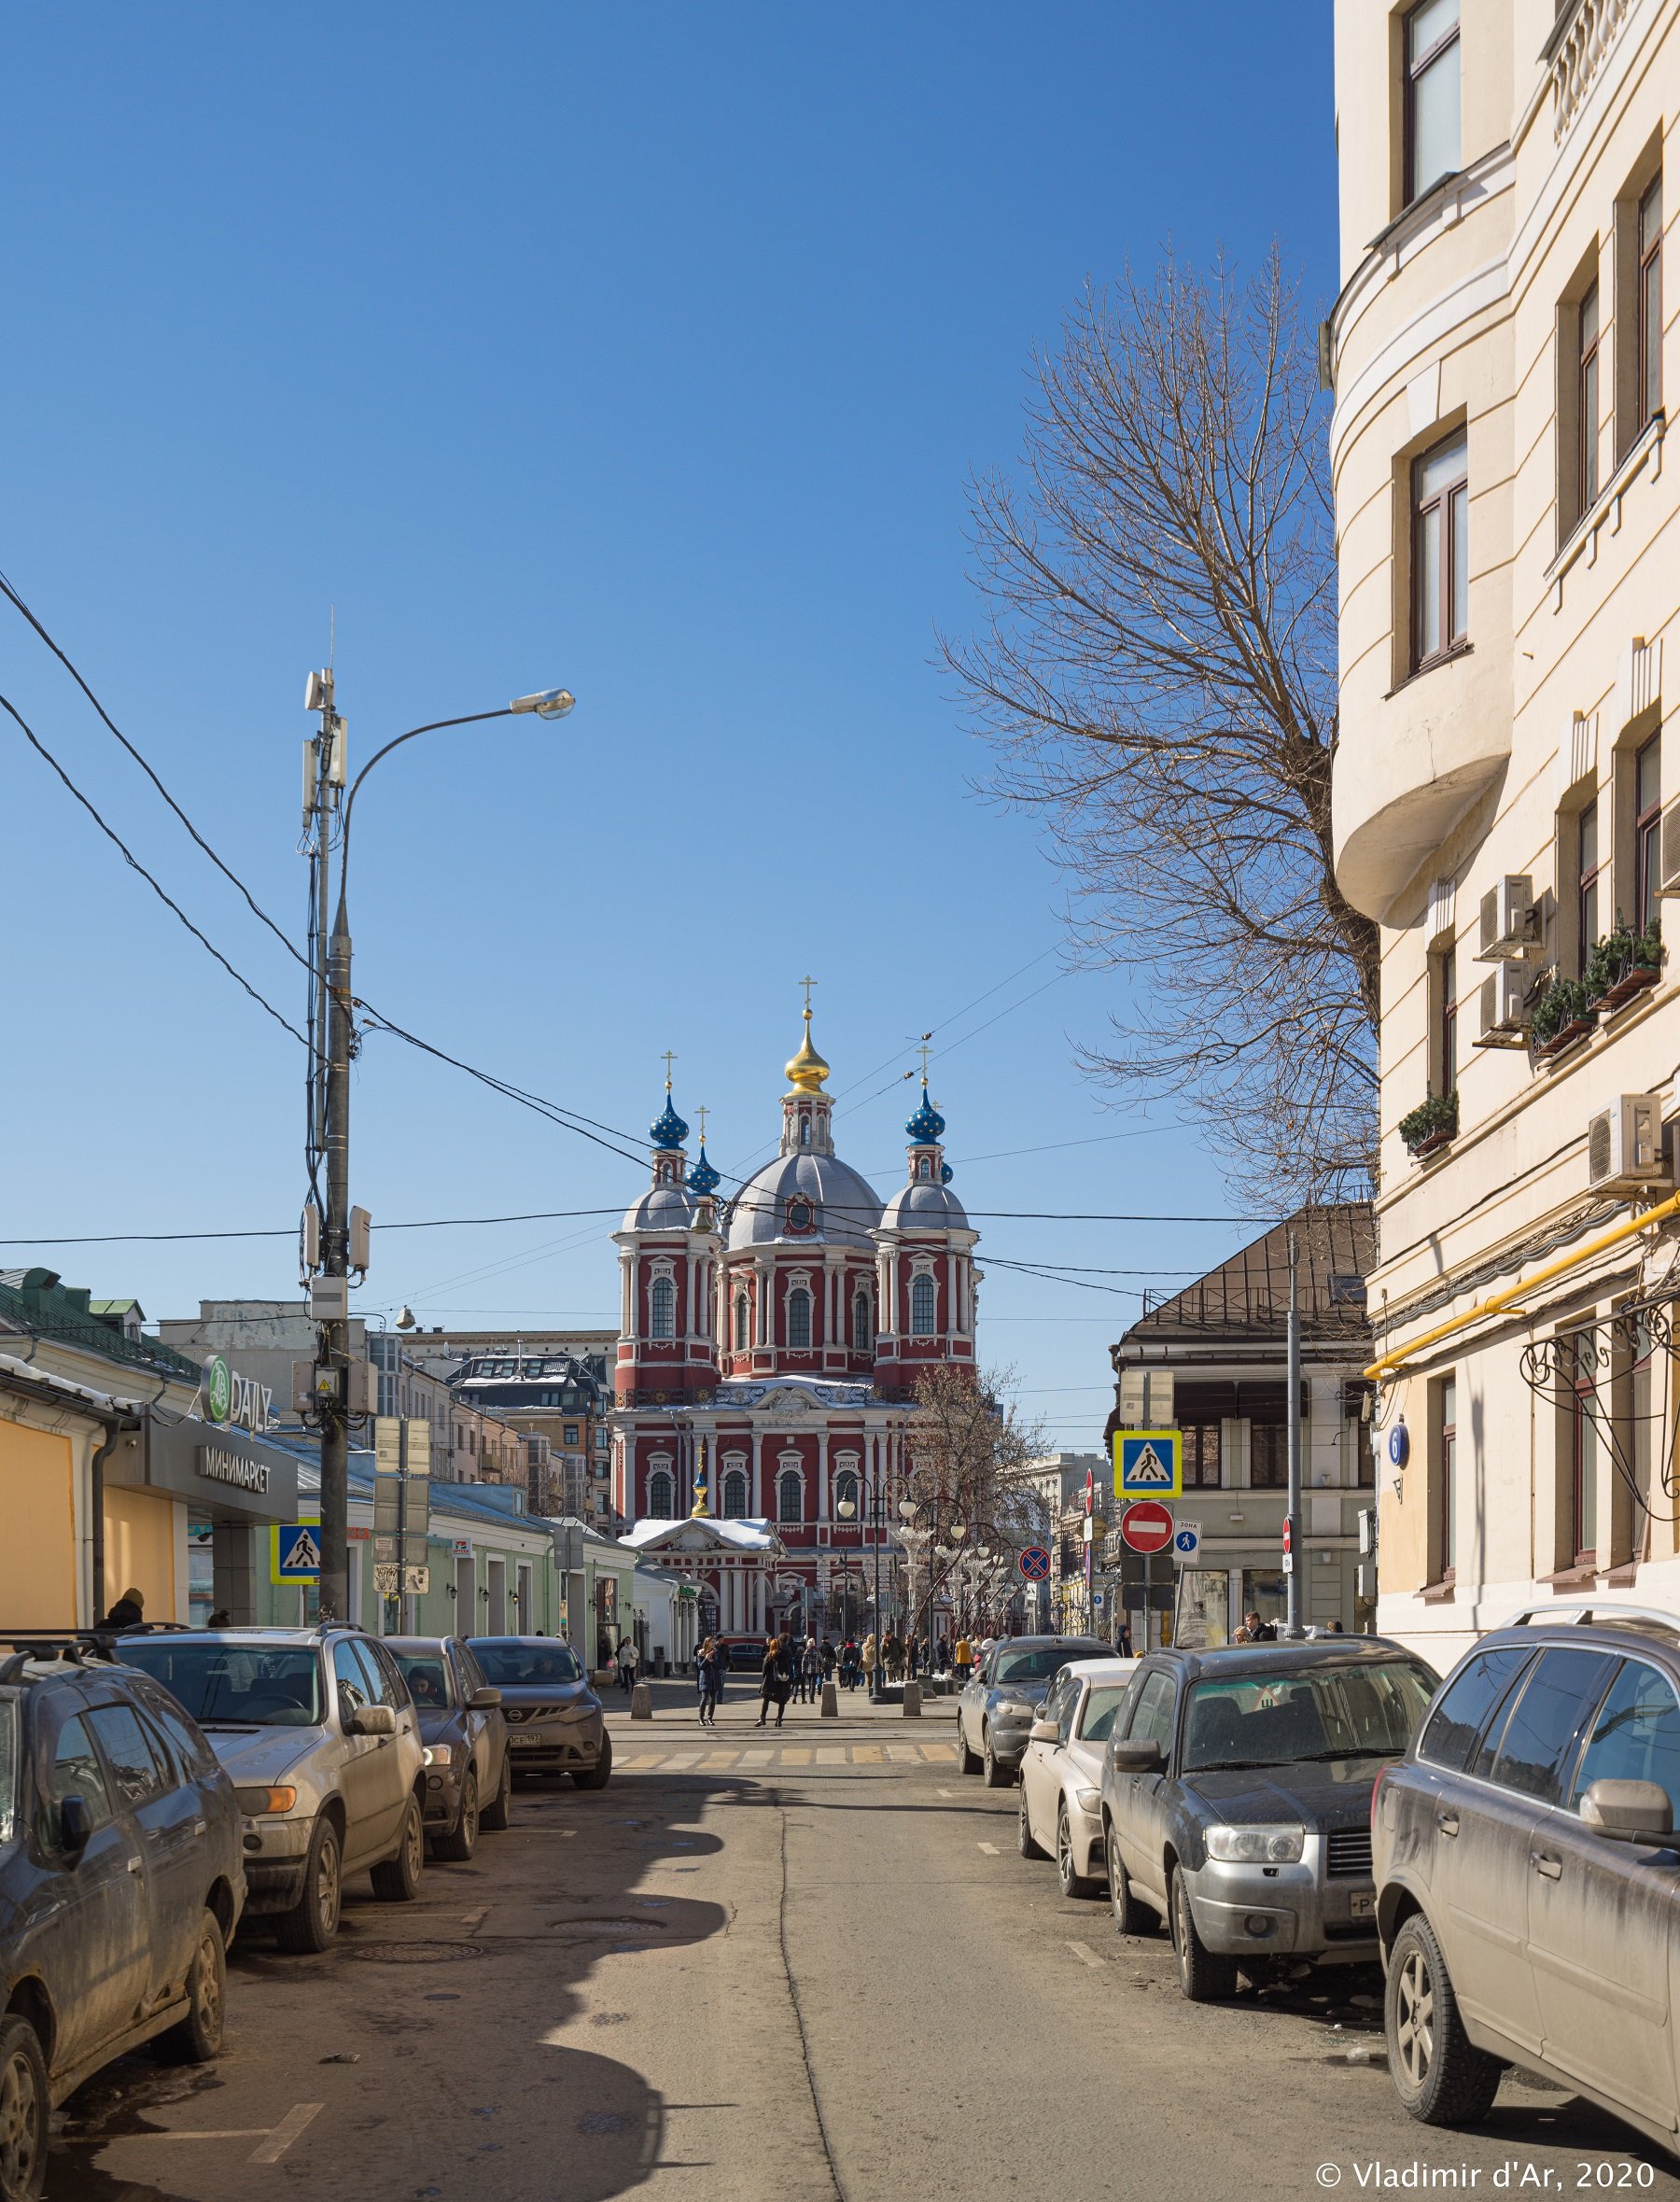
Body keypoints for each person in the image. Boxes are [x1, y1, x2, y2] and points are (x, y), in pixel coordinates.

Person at [757, 1635, 791, 1729]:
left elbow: (764, 1670)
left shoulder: (769, 1655)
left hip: (770, 1682)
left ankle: (763, 1718)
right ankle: (779, 1720)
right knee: (782, 1701)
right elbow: (788, 1668)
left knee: (766, 1700)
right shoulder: (785, 1655)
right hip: (782, 1681)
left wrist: (764, 1679)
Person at [695, 1637, 721, 1727]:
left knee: (713, 1700)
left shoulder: (716, 1652)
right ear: (707, 1643)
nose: (714, 1643)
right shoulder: (701, 1653)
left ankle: (710, 1718)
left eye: (714, 1642)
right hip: (705, 1679)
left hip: (715, 1679)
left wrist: (712, 1661)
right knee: (704, 1699)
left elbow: (720, 1665)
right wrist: (706, 1659)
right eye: (712, 1642)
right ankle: (700, 1719)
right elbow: (700, 1667)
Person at [801, 1637, 821, 1703]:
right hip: (815, 1669)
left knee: (810, 1683)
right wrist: (821, 1667)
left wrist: (803, 1670)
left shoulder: (806, 1652)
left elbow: (804, 1662)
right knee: (813, 1684)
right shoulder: (817, 1651)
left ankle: (811, 1696)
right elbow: (821, 1660)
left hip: (808, 1670)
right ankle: (811, 1698)